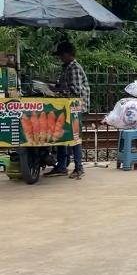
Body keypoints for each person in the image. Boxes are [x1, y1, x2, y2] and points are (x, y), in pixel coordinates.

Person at [44, 41, 90, 179]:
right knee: (62, 135)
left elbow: (74, 90)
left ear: (68, 54)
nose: (60, 58)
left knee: (74, 138)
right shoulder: (67, 68)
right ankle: (62, 166)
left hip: (76, 107)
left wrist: (57, 90)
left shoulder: (73, 68)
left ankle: (78, 167)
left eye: (62, 55)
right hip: (68, 107)